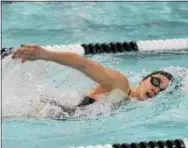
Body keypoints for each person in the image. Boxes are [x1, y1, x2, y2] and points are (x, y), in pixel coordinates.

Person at [12, 44, 174, 115]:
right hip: (46, 111)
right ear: (142, 80)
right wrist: (46, 55)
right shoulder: (121, 84)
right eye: (155, 82)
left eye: (161, 90)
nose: (155, 89)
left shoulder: (130, 102)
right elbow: (84, 64)